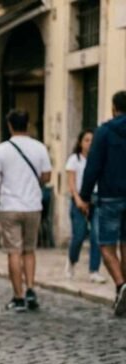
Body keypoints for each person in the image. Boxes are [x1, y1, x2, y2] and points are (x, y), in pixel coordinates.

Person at [0, 109, 51, 312]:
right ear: (28, 125)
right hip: (33, 206)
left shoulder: (1, 150)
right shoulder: (39, 148)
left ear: (10, 126)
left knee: (13, 252)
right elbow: (46, 176)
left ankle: (18, 297)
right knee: (29, 250)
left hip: (10, 206)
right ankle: (31, 289)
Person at [80, 90, 126, 316]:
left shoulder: (104, 132)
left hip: (110, 196)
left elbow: (93, 167)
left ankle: (120, 284)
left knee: (106, 244)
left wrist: (85, 196)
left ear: (113, 108)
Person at [65, 129, 104, 284]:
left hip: (96, 199)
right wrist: (78, 200)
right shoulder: (74, 160)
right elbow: (71, 183)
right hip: (79, 198)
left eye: (92, 140)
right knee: (79, 235)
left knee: (97, 235)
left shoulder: (99, 159)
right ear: (80, 143)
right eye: (86, 140)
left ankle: (94, 270)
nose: (89, 143)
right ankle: (71, 260)